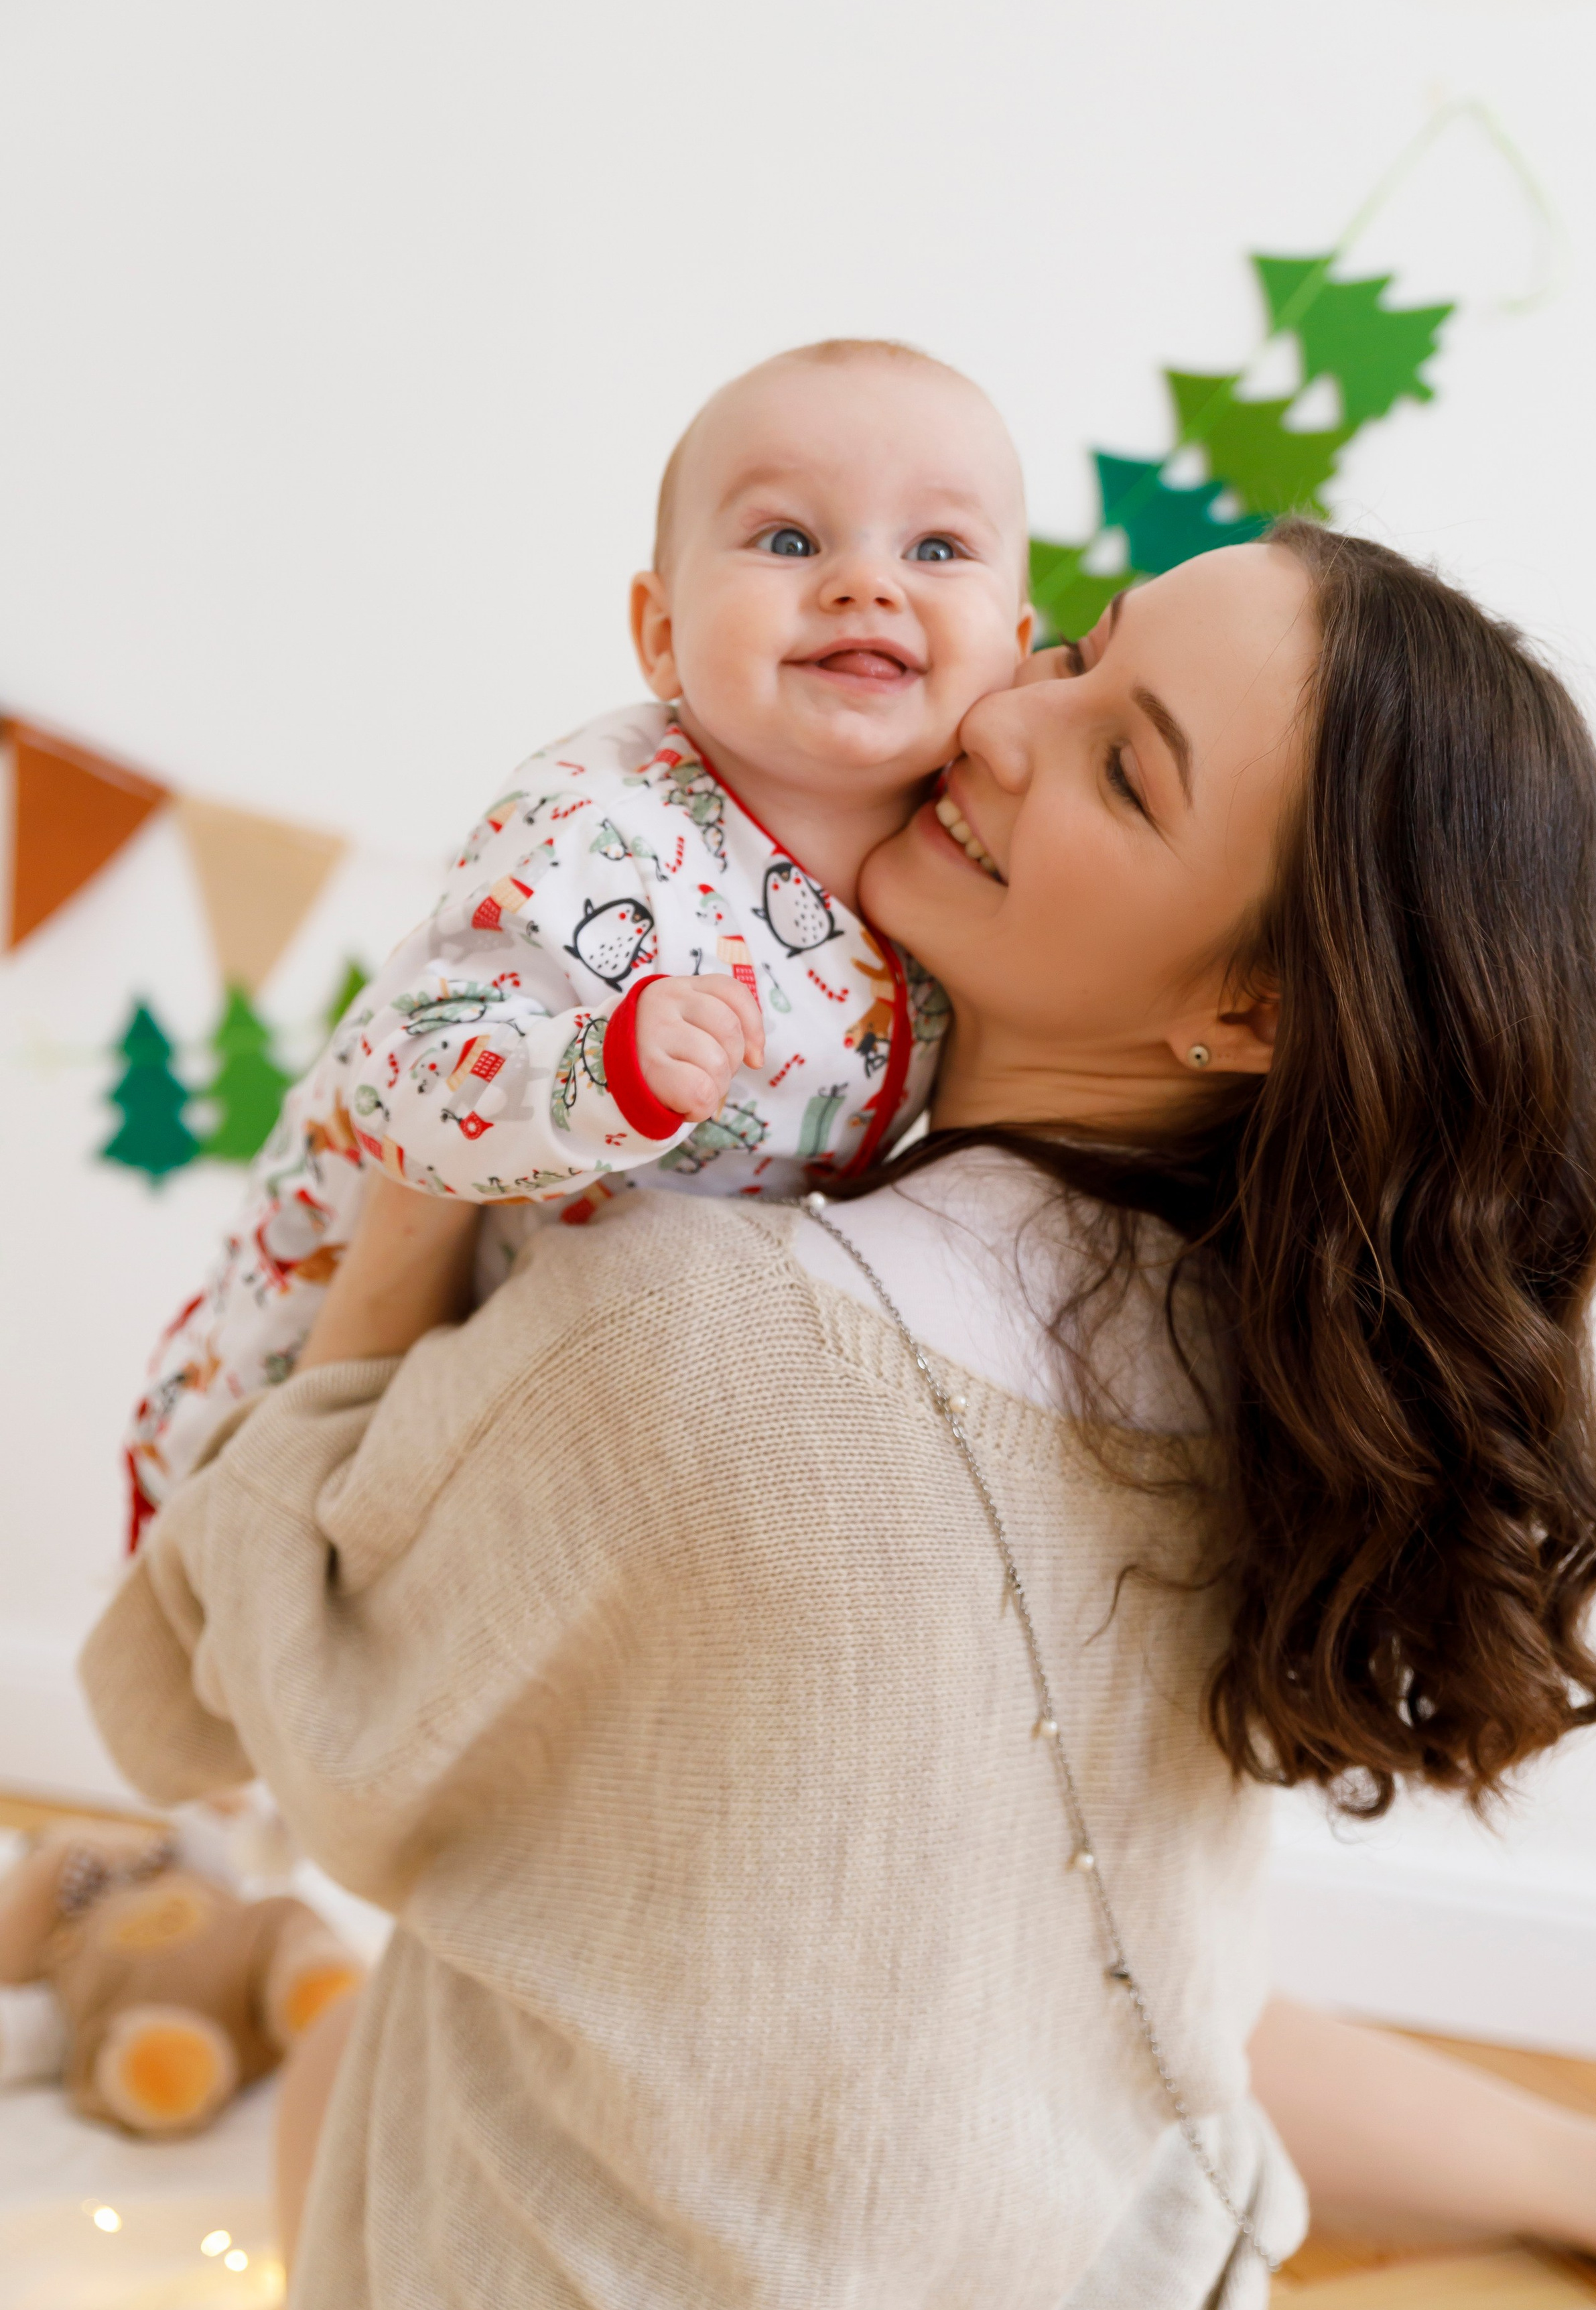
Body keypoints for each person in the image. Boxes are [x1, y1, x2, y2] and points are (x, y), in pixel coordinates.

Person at [82, 525, 1596, 2310]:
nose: (1003, 717)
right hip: (1093, 2267)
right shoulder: (1286, 1370)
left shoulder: (699, 1329)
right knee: (1018, 1962)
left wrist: (411, 1180)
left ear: (1245, 1012)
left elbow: (239, 1715)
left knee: (354, 2061)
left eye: (1122, 766)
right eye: (1079, 648)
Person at [122, 337, 1033, 1531]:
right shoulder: (600, 823)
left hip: (565, 1399)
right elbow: (409, 1076)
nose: (866, 584)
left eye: (936, 548)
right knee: (244, 1625)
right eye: (789, 539)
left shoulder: (964, 859)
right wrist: (598, 1066)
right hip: (326, 1359)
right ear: (661, 632)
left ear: (1016, 654)